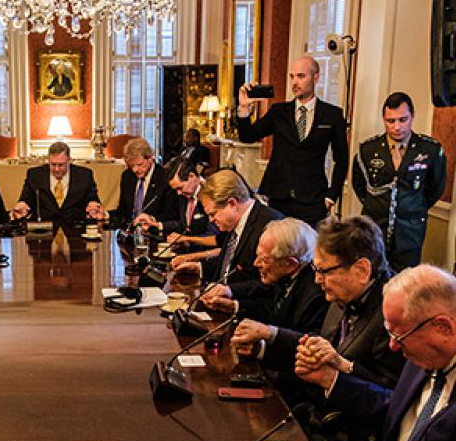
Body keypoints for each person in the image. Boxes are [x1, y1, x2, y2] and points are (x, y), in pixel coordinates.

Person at [302, 265, 456, 441]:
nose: (393, 346)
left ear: (443, 327)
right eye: (389, 332)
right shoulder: (424, 353)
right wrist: (329, 379)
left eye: (400, 335)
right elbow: (392, 407)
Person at [234, 215, 405, 441]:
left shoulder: (392, 314)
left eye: (324, 271)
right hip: (313, 420)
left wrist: (337, 375)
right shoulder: (341, 295)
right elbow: (317, 347)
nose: (316, 280)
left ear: (361, 270)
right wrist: (263, 347)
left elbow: (395, 401)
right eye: (316, 270)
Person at [237, 56, 348, 226]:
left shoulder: (332, 115)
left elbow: (341, 160)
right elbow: (247, 136)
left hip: (313, 200)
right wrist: (244, 108)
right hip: (278, 198)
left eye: (301, 76)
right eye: (292, 76)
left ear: (316, 77)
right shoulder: (278, 112)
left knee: (308, 251)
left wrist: (331, 197)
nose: (295, 82)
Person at [352, 92, 446, 271]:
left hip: (410, 232)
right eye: (390, 121)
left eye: (403, 120)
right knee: (371, 279)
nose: (397, 127)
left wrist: (413, 205)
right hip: (374, 230)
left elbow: (436, 188)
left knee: (405, 285)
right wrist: (378, 204)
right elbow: (361, 187)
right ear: (383, 119)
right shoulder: (368, 149)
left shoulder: (430, 149)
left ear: (413, 116)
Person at [203, 218, 327, 336]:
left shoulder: (314, 296)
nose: (255, 264)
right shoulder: (286, 274)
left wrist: (264, 340)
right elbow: (269, 307)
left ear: (290, 264)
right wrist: (233, 306)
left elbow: (300, 339)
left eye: (264, 260)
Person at [170, 169, 283, 291]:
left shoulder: (270, 226)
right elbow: (230, 266)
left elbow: (272, 284)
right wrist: (199, 268)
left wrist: (230, 292)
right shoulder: (234, 223)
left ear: (232, 204)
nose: (211, 220)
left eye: (213, 214)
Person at [10, 142, 105, 223]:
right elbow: (26, 199)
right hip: (44, 229)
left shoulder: (84, 175)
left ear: (69, 160)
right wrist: (22, 205)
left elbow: (92, 198)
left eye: (61, 165)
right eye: (53, 164)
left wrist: (93, 205)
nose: (56, 169)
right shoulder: (35, 175)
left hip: (75, 228)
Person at [140, 158, 214, 248]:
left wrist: (187, 239)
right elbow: (184, 225)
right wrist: (157, 224)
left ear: (192, 176)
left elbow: (215, 237)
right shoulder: (184, 196)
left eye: (180, 188)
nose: (178, 193)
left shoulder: (210, 195)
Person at [107, 137, 178, 228]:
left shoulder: (165, 177)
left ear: (150, 158)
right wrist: (106, 214)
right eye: (132, 165)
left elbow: (172, 215)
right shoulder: (127, 176)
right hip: (129, 234)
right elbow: (123, 212)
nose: (135, 170)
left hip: (154, 234)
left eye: (139, 164)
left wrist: (151, 219)